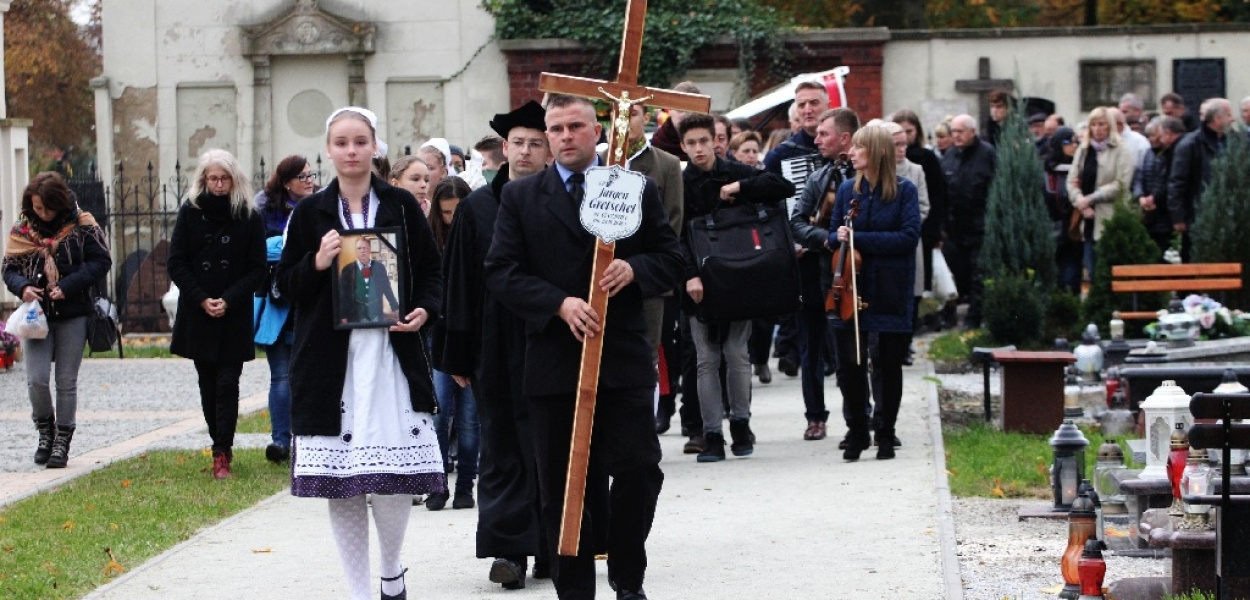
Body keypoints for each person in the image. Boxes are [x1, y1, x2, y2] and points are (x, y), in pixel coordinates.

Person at [484, 94, 682, 600]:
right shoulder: (521, 198)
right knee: (563, 486)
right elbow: (502, 272)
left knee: (639, 469)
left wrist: (636, 269)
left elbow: (673, 256)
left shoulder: (629, 188)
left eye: (575, 126)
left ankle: (626, 571)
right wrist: (558, 304)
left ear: (598, 131)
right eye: (556, 129)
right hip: (554, 362)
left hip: (619, 358)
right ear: (546, 138)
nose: (565, 136)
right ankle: (574, 591)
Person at [277, 106, 444, 600]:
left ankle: (391, 571)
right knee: (342, 481)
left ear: (375, 147)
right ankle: (356, 589)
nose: (351, 151)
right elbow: (285, 285)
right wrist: (318, 261)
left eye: (360, 141)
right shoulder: (309, 214)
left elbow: (432, 274)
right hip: (333, 364)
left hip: (392, 358)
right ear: (328, 151)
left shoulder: (401, 205)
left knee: (392, 477)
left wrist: (424, 312)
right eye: (341, 143)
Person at [441, 100, 553, 590]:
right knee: (502, 444)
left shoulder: (563, 200)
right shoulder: (477, 208)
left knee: (550, 444)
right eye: (517, 144)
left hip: (550, 337)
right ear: (503, 150)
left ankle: (553, 544)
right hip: (493, 341)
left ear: (549, 151)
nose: (524, 152)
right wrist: (458, 355)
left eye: (535, 143)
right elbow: (459, 284)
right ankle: (509, 549)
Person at [680, 113, 794, 463]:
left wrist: (742, 188)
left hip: (740, 278)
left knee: (736, 353)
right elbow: (674, 234)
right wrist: (688, 275)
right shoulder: (681, 183)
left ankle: (741, 425)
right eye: (692, 143)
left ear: (718, 140)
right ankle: (712, 434)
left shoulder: (735, 171)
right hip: (699, 281)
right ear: (683, 147)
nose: (700, 148)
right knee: (705, 359)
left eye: (706, 140)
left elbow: (782, 187)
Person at [167, 149, 267, 479]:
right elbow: (177, 262)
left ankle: (223, 449)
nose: (219, 184)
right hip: (198, 310)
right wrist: (201, 298)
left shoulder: (248, 215)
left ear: (234, 179)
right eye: (213, 178)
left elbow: (256, 269)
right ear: (204, 180)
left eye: (224, 178)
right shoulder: (190, 212)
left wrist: (228, 299)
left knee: (228, 382)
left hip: (233, 310)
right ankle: (216, 440)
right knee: (207, 382)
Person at [3, 172, 111, 469]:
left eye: (48, 208)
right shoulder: (22, 228)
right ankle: (45, 430)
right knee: (36, 379)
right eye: (38, 208)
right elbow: (9, 267)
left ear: (59, 203)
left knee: (66, 381)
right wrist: (22, 287)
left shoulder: (81, 224)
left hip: (72, 312)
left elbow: (102, 261)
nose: (43, 214)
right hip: (36, 314)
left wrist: (69, 285)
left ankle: (63, 439)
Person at [829, 125, 921, 461]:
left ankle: (885, 432)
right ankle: (856, 430)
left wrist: (858, 240)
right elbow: (833, 231)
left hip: (889, 286)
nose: (851, 153)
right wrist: (837, 234)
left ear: (877, 152)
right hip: (849, 287)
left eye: (859, 147)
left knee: (887, 363)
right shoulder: (846, 192)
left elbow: (908, 237)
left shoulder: (905, 191)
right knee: (849, 364)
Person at [790, 108, 857, 443]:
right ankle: (815, 416)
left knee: (852, 348)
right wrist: (826, 239)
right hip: (816, 273)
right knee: (811, 348)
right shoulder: (818, 178)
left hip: (853, 274)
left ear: (844, 138)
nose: (816, 140)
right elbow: (797, 222)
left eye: (824, 134)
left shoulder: (864, 176)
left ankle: (860, 415)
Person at [253, 154, 316, 462]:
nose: (309, 181)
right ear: (286, 181)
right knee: (280, 376)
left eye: (310, 175)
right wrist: (288, 246)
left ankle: (306, 439)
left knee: (307, 376)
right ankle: (281, 441)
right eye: (302, 176)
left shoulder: (319, 207)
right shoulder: (265, 210)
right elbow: (257, 250)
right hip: (279, 305)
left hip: (310, 302)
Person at [423, 175, 481, 512]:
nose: (453, 219)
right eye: (446, 213)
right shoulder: (432, 240)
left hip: (471, 334)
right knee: (440, 412)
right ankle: (438, 482)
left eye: (458, 212)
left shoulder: (479, 234)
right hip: (439, 333)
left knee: (471, 418)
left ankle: (466, 484)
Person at [940, 114, 996, 329]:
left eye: (960, 131)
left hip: (979, 225)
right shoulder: (950, 155)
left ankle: (974, 317)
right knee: (957, 272)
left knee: (978, 273)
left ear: (973, 132)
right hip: (954, 227)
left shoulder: (987, 154)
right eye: (953, 131)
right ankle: (953, 314)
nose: (956, 135)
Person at [1067, 106, 1134, 280]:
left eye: (1102, 124)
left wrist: (1092, 198)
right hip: (1087, 219)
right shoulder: (1083, 149)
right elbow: (1072, 180)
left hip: (1110, 217)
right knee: (1092, 270)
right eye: (1094, 124)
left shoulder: (1121, 149)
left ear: (1110, 126)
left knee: (1111, 271)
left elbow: (1121, 183)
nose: (1097, 129)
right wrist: (1080, 201)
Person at [1168, 97, 1234, 263]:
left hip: (1230, 215)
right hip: (1197, 216)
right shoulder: (1190, 144)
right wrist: (1179, 217)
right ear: (1218, 119)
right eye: (1229, 114)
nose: (1233, 119)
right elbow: (1177, 182)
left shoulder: (1235, 141)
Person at [1138, 116, 1186, 256]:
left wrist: (1154, 198)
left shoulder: (1173, 153)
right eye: (1150, 135)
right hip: (1152, 210)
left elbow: (1169, 179)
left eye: (1157, 135)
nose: (1154, 139)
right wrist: (1142, 196)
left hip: (1165, 211)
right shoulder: (1151, 153)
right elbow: (1140, 176)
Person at [1043, 126, 1082, 294]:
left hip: (1074, 227)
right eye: (1069, 142)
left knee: (1072, 271)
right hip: (1052, 227)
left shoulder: (1080, 167)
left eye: (1076, 142)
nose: (1074, 146)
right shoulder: (1046, 168)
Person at [337, 236, 400, 325]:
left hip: (376, 316)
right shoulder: (347, 270)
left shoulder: (379, 267)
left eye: (365, 248)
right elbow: (343, 295)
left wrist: (395, 308)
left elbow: (387, 289)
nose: (362, 251)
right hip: (355, 317)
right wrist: (343, 316)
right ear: (355, 251)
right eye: (359, 248)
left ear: (369, 250)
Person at [648, 81, 701, 161]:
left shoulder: (710, 143)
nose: (684, 115)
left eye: (689, 110)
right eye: (679, 109)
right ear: (670, 109)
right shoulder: (655, 145)